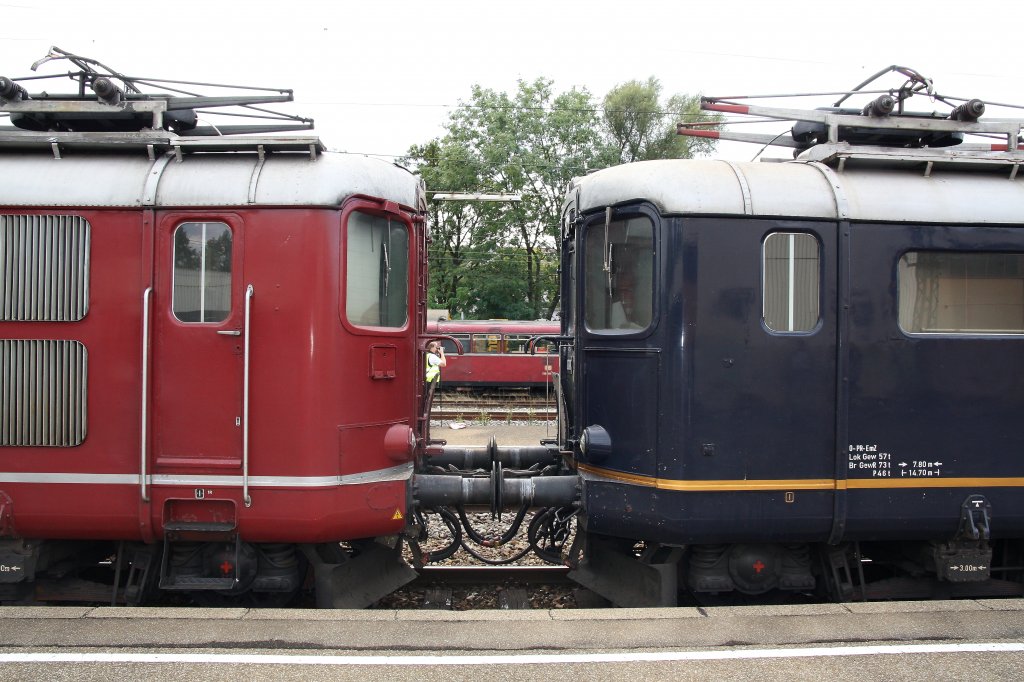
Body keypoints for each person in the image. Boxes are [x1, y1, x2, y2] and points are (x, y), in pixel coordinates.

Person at [424, 340, 447, 411]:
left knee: (426, 399)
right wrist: (442, 353)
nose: (437, 349)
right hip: (430, 380)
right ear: (432, 347)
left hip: (426, 380)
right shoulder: (432, 356)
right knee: (428, 400)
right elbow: (443, 364)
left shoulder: (426, 355)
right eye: (436, 347)